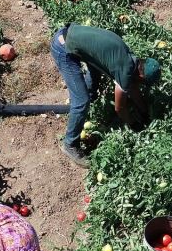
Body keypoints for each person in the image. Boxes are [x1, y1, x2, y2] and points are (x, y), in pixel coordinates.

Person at [50, 23, 161, 166]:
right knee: (81, 101)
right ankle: (70, 144)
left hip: (70, 35)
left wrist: (144, 111)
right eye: (143, 83)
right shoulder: (126, 71)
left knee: (94, 75)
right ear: (141, 76)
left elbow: (132, 88)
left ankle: (86, 108)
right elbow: (120, 108)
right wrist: (134, 125)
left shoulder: (129, 58)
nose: (141, 86)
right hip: (63, 48)